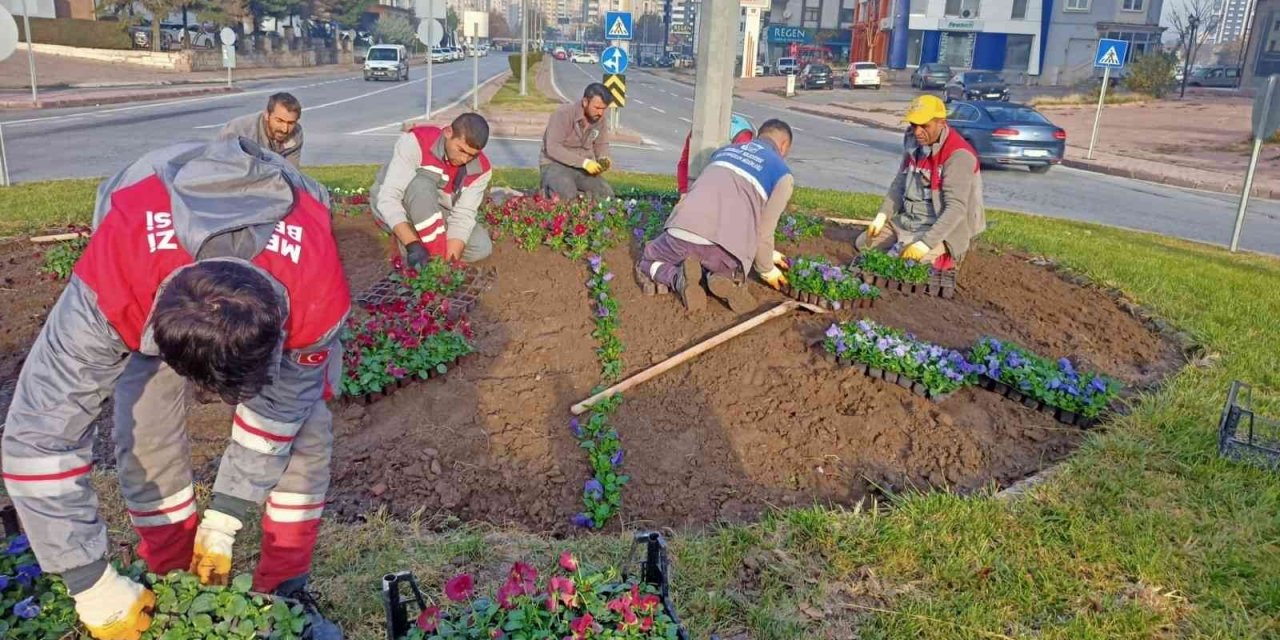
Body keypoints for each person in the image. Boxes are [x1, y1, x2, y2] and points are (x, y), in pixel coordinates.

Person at [1, 138, 350, 640]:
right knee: (145, 419)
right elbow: (39, 437)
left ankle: (286, 586)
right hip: (148, 229)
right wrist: (89, 584)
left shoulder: (316, 295)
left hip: (284, 254)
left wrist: (225, 518)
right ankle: (168, 568)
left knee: (307, 429)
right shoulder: (116, 280)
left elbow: (281, 411)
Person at [636, 119, 796, 313]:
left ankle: (678, 279)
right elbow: (763, 230)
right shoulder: (782, 174)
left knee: (648, 260)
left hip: (683, 232)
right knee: (723, 262)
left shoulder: (724, 152)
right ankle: (723, 277)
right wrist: (766, 269)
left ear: (759, 135)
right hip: (725, 249)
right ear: (784, 145)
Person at [856, 95, 985, 267]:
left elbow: (956, 208)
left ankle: (948, 255)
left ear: (941, 122)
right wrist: (882, 215)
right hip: (909, 220)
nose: (917, 131)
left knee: (907, 262)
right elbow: (899, 184)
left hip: (940, 226)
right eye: (913, 125)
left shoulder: (958, 155)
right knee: (864, 244)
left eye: (924, 126)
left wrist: (925, 244)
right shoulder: (913, 142)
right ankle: (908, 242)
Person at [371, 112, 493, 265]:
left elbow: (462, 217)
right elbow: (388, 198)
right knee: (421, 184)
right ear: (448, 132)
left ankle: (430, 252)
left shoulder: (482, 170)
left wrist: (447, 265)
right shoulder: (417, 142)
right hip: (393, 201)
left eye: (471, 155)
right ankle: (409, 243)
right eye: (461, 150)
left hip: (431, 207)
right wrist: (412, 245)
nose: (464, 159)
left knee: (480, 247)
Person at [540, 83, 613, 200]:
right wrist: (584, 162)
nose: (600, 113)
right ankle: (547, 193)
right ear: (585, 102)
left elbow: (601, 144)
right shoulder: (563, 114)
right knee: (567, 193)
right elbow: (553, 148)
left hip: (581, 169)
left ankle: (595, 216)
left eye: (604, 109)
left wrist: (604, 158)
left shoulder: (600, 119)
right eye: (597, 108)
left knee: (605, 194)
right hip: (554, 164)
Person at [676, 114, 754, 196]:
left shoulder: (742, 138)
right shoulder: (696, 133)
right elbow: (684, 163)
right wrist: (684, 192)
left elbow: (742, 175)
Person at [219, 92, 304, 168]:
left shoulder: (296, 133)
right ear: (267, 115)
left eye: (291, 123)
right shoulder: (238, 130)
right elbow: (223, 168)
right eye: (279, 121)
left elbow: (292, 172)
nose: (285, 129)